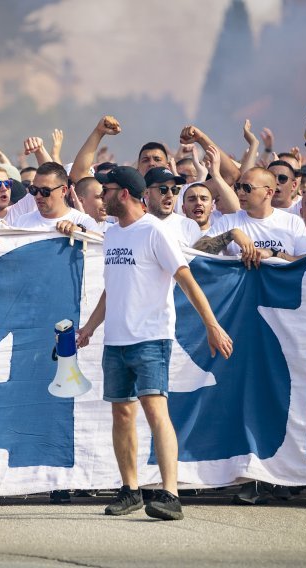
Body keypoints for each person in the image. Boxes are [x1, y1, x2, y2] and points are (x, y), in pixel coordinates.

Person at [75, 165, 233, 521]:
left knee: (155, 411)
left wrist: (212, 325)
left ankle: (170, 494)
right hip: (116, 340)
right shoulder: (114, 234)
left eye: (107, 189)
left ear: (126, 193)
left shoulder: (155, 231)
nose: (102, 196)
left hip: (150, 337)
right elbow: (111, 288)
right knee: (122, 412)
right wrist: (89, 329)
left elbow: (186, 279)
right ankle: (130, 491)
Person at [197, 167, 306, 262]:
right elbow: (196, 253)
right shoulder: (228, 221)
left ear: (268, 193)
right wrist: (230, 235)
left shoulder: (292, 222)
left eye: (247, 188)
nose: (240, 192)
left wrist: (274, 254)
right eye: (238, 187)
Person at [12, 162, 99, 233]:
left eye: (45, 191)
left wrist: (80, 231)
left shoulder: (83, 222)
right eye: (34, 190)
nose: (38, 196)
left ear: (63, 190)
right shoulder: (21, 223)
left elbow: (102, 246)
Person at [143, 167, 202, 247]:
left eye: (174, 189)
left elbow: (199, 259)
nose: (170, 195)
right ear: (146, 193)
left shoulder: (189, 226)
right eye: (163, 189)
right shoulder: (135, 226)